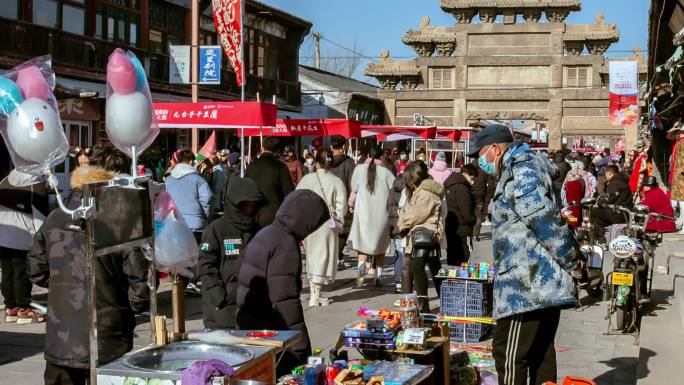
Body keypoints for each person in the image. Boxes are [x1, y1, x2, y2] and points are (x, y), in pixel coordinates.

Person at [468, 124, 580, 385]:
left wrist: (572, 259)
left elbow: (545, 221)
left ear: (496, 148)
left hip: (527, 284)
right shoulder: (521, 168)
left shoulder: (521, 171)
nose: (480, 162)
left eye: (480, 154)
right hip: (538, 280)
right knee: (540, 354)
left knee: (509, 354)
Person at [29, 147, 149, 385]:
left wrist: (63, 288)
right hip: (107, 333)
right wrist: (129, 306)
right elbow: (139, 285)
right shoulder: (120, 220)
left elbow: (36, 270)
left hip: (62, 332)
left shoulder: (55, 217)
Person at [236, 190, 330, 375]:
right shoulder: (285, 244)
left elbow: (238, 271)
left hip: (249, 323)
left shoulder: (267, 232)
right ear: (305, 220)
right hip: (271, 332)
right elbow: (285, 301)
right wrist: (299, 344)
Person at [198, 177, 263, 330]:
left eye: (252, 205)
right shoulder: (216, 229)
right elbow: (205, 266)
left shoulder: (258, 231)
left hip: (252, 309)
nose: (249, 208)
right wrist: (219, 296)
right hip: (223, 312)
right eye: (245, 204)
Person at [296, 150, 348, 306]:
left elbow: (297, 198)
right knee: (323, 257)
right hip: (327, 222)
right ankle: (315, 294)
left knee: (312, 256)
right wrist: (339, 217)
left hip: (308, 222)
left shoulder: (307, 179)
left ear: (316, 161)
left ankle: (314, 292)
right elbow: (342, 205)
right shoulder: (336, 181)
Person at [0, 169, 49, 324]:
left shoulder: (5, 180)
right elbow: (40, 215)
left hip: (4, 232)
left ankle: (11, 307)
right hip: (23, 234)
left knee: (7, 272)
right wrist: (43, 240)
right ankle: (23, 309)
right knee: (22, 273)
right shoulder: (35, 185)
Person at [398, 162, 445, 312]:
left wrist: (403, 223)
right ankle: (445, 301)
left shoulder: (426, 193)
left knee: (418, 268)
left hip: (425, 236)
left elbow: (415, 214)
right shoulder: (418, 191)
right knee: (434, 268)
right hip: (421, 236)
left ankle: (424, 305)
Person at [349, 147, 395, 287]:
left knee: (363, 245)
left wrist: (351, 204)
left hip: (363, 214)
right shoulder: (386, 172)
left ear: (368, 155)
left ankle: (361, 269)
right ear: (381, 157)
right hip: (382, 215)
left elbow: (354, 188)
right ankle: (378, 276)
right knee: (380, 247)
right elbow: (395, 189)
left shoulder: (359, 169)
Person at [245, 136, 295, 228]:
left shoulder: (251, 166)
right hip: (275, 214)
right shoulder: (281, 167)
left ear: (262, 148)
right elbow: (289, 193)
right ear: (277, 150)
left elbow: (245, 190)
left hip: (254, 213)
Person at [166, 149, 213, 240]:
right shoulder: (199, 180)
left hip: (174, 224)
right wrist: (207, 218)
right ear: (191, 162)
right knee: (195, 253)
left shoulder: (168, 180)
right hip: (195, 226)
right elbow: (206, 200)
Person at [329, 135, 356, 268]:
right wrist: (353, 203)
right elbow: (353, 184)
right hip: (343, 201)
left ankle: (334, 256)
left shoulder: (325, 161)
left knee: (328, 229)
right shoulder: (350, 163)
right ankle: (337, 256)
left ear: (331, 147)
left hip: (327, 200)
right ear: (344, 147)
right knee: (342, 230)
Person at [443, 164, 477, 266]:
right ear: (466, 174)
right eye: (472, 178)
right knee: (464, 259)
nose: (473, 181)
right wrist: (473, 220)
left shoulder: (449, 185)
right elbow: (466, 210)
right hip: (463, 228)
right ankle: (462, 281)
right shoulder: (462, 188)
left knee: (452, 258)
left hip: (450, 226)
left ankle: (452, 280)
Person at [592, 164, 633, 243]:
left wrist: (599, 203)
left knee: (594, 211)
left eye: (606, 174)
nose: (605, 176)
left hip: (620, 213)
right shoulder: (622, 180)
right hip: (626, 211)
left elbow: (610, 198)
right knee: (598, 220)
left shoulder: (614, 183)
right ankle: (601, 240)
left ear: (609, 174)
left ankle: (600, 240)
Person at [388, 166, 408, 294]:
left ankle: (398, 281)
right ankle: (405, 280)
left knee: (398, 254)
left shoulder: (392, 190)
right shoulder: (408, 190)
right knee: (405, 255)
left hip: (395, 227)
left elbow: (388, 207)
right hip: (405, 226)